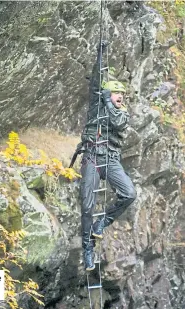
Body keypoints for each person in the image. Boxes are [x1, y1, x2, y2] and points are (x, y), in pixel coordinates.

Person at [79, 41, 137, 271]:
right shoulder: (97, 106)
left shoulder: (123, 115)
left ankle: (103, 222)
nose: (121, 96)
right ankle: (87, 249)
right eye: (116, 93)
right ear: (108, 93)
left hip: (111, 160)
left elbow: (115, 121)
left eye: (123, 94)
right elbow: (96, 80)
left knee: (129, 193)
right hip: (92, 157)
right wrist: (101, 54)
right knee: (86, 205)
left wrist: (108, 100)